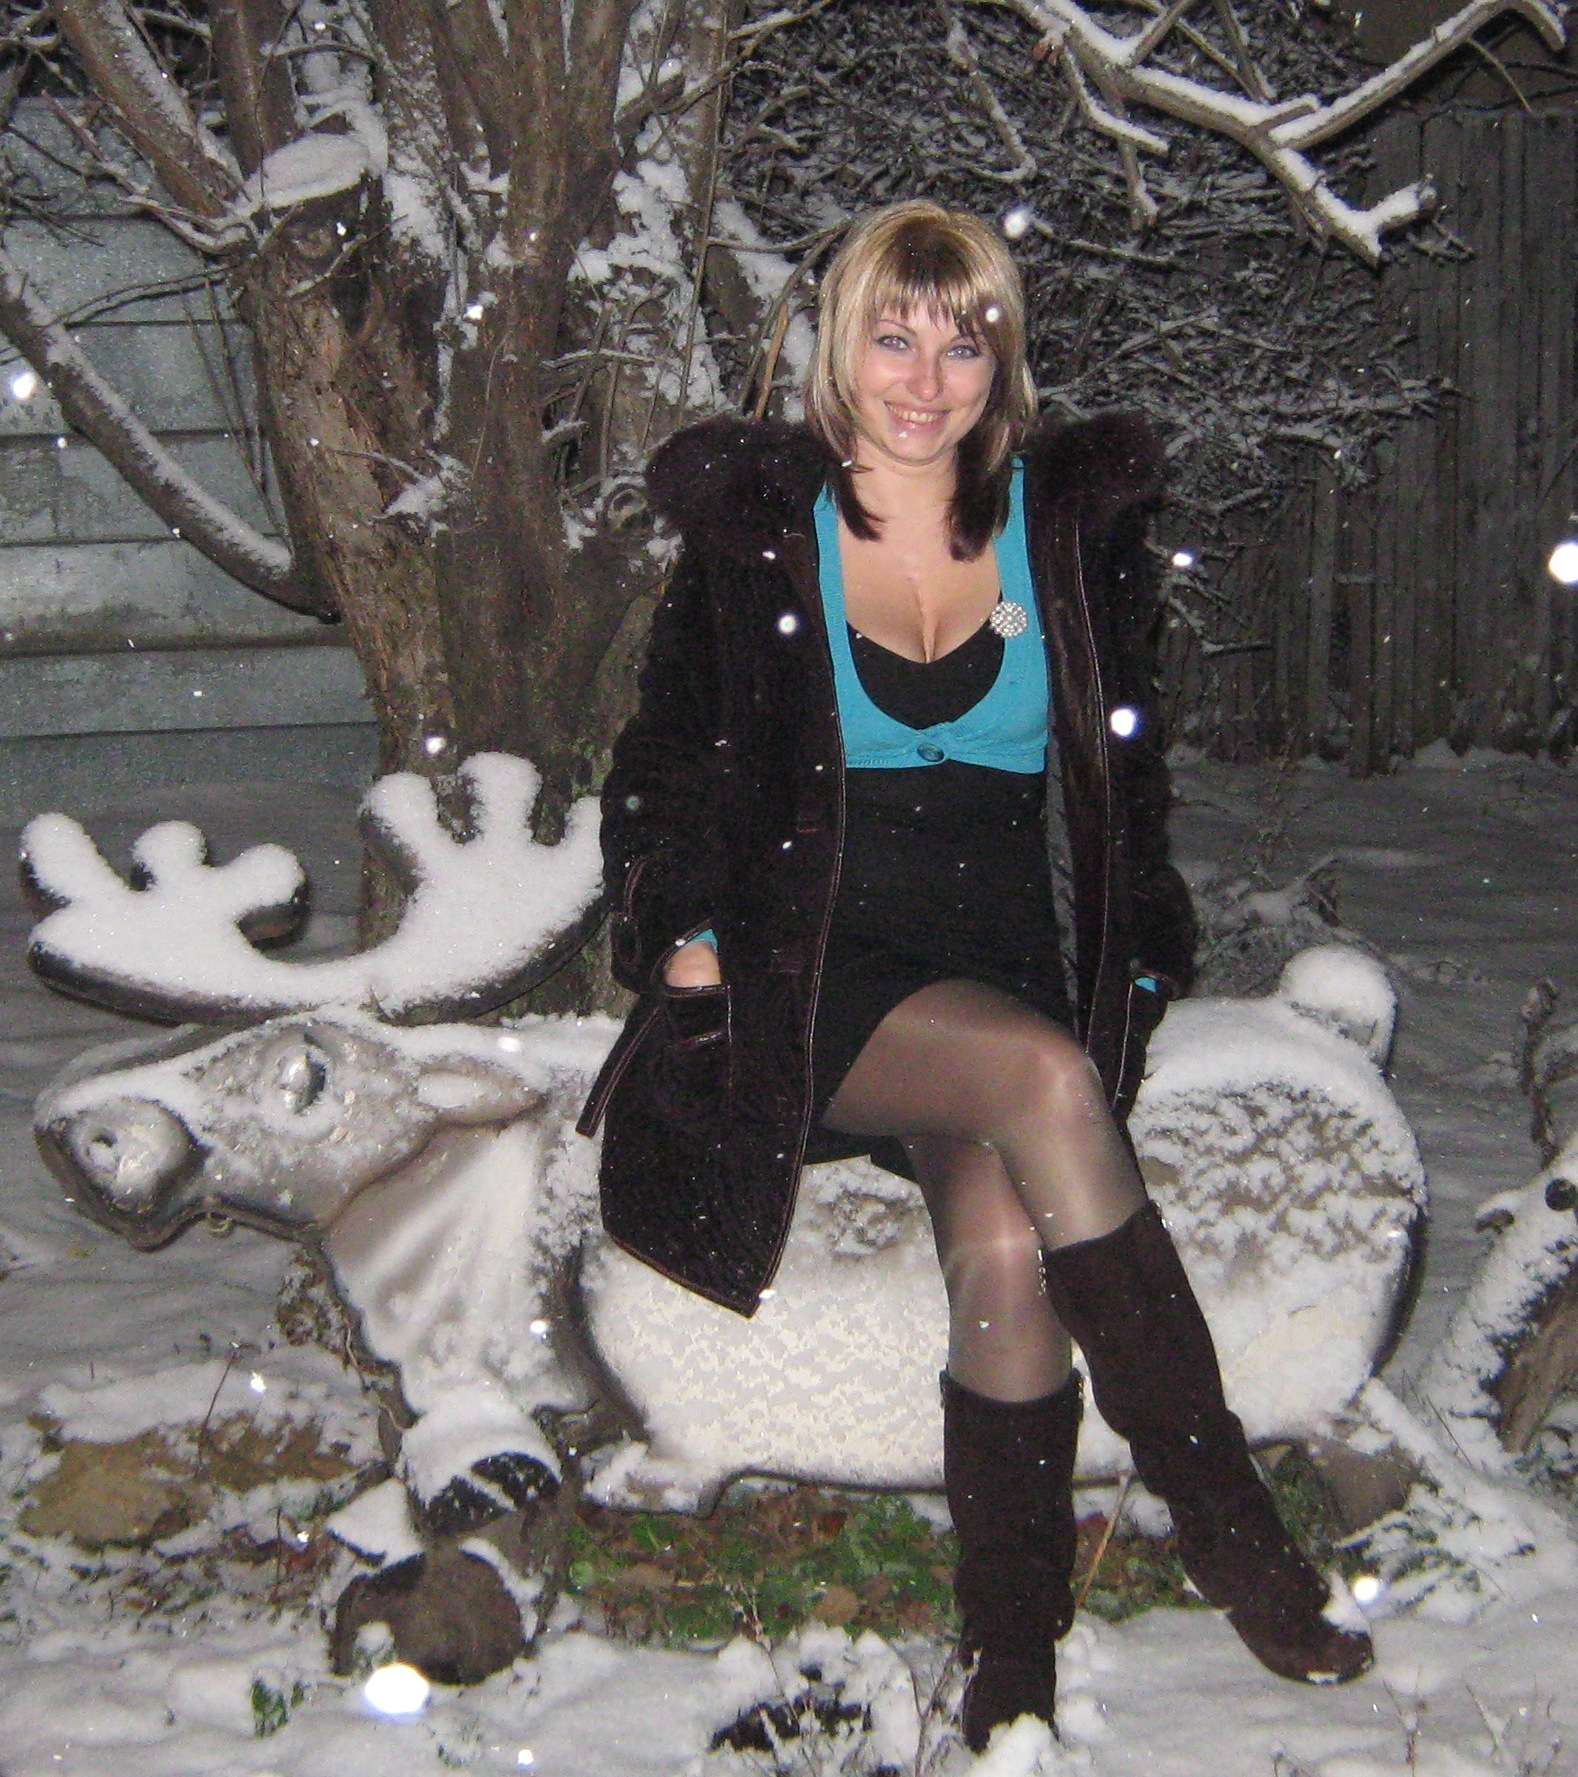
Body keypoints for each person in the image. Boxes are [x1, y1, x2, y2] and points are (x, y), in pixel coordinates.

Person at [578, 199, 1372, 1751]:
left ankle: (1011, 1652)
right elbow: (662, 764)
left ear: (1000, 362)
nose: (926, 379)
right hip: (819, 965)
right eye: (893, 337)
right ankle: (1234, 1534)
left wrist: (1138, 943)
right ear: (839, 349)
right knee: (1045, 1082)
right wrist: (678, 921)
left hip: (1000, 955)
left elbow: (1123, 780)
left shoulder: (1057, 536)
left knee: (1004, 1243)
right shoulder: (762, 535)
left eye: (963, 343)